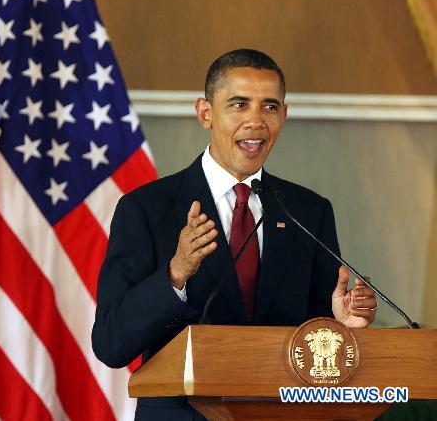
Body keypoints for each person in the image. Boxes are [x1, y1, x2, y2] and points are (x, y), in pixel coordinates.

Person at [92, 49, 377, 420]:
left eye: (270, 107)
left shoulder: (309, 211)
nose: (256, 121)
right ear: (205, 112)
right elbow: (111, 343)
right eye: (239, 104)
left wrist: (339, 325)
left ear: (284, 116)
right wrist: (175, 274)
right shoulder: (147, 208)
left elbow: (316, 339)